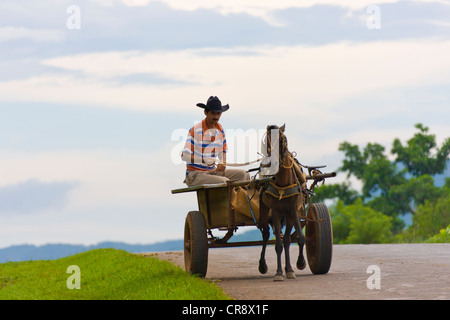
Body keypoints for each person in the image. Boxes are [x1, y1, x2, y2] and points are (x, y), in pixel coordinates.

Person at [181, 96, 250, 186]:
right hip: (195, 175)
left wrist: (222, 162)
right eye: (213, 113)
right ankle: (233, 199)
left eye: (218, 113)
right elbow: (184, 156)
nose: (216, 116)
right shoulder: (196, 130)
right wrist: (204, 160)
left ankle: (242, 200)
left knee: (244, 175)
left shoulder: (220, 130)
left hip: (212, 172)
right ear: (205, 112)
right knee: (224, 182)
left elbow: (223, 151)